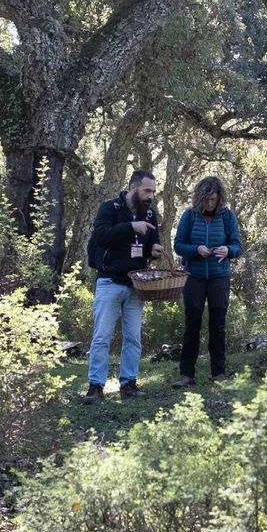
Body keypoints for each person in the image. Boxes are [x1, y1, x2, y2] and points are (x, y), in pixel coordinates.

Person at [86, 170, 162, 400]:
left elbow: (152, 243)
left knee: (133, 337)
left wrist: (154, 250)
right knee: (101, 336)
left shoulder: (150, 214)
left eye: (153, 192)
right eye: (147, 190)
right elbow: (101, 236)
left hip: (136, 284)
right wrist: (131, 227)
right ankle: (96, 386)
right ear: (132, 187)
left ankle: (128, 384)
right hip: (109, 280)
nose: (150, 196)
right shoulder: (110, 208)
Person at [172, 176, 243, 386]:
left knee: (218, 325)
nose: (209, 203)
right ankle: (186, 374)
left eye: (212, 199)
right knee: (192, 324)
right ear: (198, 198)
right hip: (194, 277)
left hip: (219, 277)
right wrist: (196, 250)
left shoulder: (227, 217)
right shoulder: (189, 216)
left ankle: (219, 373)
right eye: (205, 199)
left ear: (219, 198)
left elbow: (237, 245)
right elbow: (178, 245)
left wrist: (228, 250)